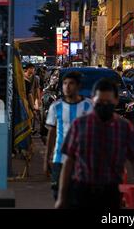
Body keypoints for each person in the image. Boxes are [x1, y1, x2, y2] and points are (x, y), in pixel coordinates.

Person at [55, 78, 134, 210]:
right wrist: (61, 197)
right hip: (82, 190)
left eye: (108, 102)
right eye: (100, 102)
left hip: (110, 192)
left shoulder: (124, 128)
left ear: (116, 101)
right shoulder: (79, 125)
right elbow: (68, 162)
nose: (104, 106)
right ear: (93, 99)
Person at [44, 71, 93, 200]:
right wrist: (47, 158)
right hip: (59, 159)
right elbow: (52, 133)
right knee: (58, 194)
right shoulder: (56, 106)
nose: (67, 87)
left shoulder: (89, 106)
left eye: (71, 83)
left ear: (78, 86)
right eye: (65, 83)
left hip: (82, 160)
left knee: (80, 197)